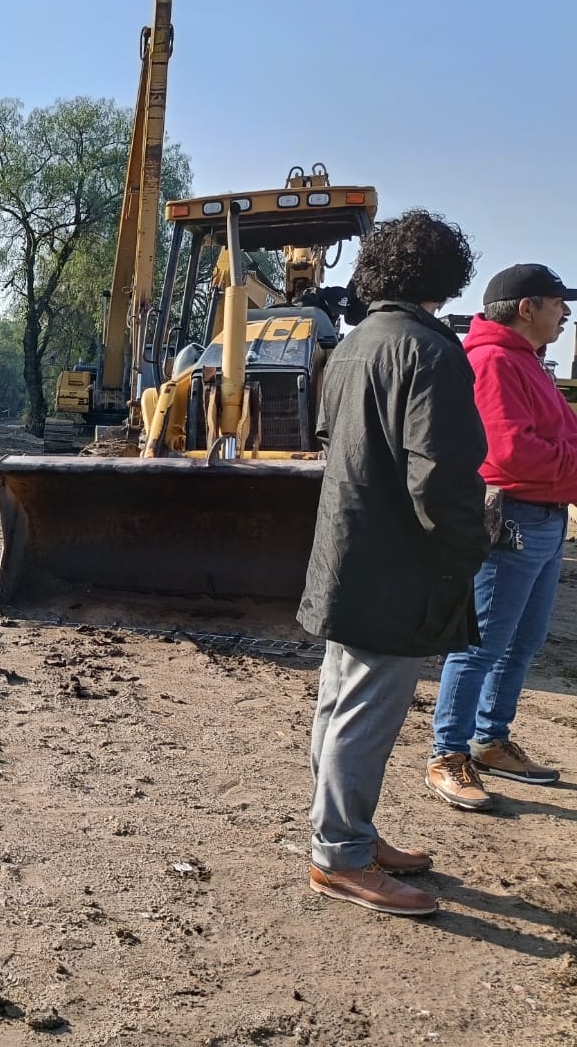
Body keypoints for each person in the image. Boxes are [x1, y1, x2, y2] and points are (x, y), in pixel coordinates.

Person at [298, 209, 487, 917]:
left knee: (340, 703)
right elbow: (438, 476)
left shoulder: (351, 346)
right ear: (444, 275)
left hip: (347, 556)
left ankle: (346, 835)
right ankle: (341, 856)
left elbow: (333, 444)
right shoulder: (431, 352)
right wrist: (470, 545)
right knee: (365, 714)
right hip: (397, 565)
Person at [427, 264, 577, 808]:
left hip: (542, 517)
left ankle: (490, 740)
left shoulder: (524, 361)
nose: (567, 313)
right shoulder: (492, 362)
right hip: (514, 518)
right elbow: (511, 453)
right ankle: (448, 755)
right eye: (559, 303)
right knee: (482, 644)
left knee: (523, 641)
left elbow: (555, 439)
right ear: (526, 307)